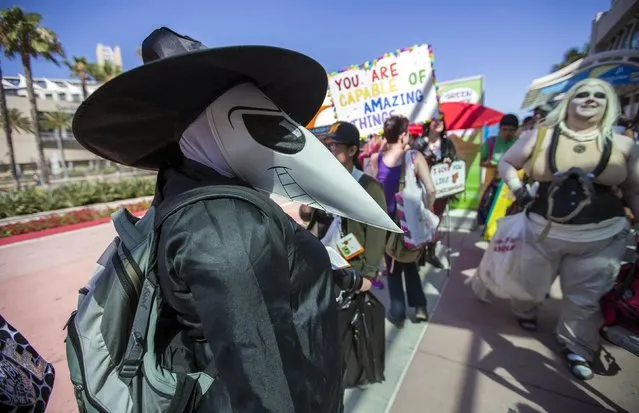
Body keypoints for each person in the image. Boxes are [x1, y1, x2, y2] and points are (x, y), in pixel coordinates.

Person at [71, 27, 401, 412]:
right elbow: (262, 385)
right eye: (260, 117)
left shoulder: (188, 191)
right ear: (210, 125)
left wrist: (338, 275)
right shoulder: (225, 226)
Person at [497, 78, 639, 381]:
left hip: (602, 235)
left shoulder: (625, 145)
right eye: (583, 94)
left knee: (585, 296)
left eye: (599, 95)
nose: (590, 99)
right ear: (569, 101)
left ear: (609, 103)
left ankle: (576, 344)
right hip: (541, 229)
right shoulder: (540, 137)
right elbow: (507, 163)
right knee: (529, 281)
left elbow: (634, 189)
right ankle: (525, 310)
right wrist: (518, 190)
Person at [300, 121, 388, 290]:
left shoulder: (369, 187)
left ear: (353, 150)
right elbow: (308, 217)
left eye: (334, 145)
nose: (330, 150)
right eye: (328, 145)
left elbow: (377, 232)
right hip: (325, 260)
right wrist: (307, 204)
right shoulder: (322, 181)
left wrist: (368, 274)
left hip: (353, 267)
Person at [371, 115, 437, 326]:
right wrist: (426, 210)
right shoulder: (415, 157)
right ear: (402, 135)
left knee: (392, 267)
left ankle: (397, 312)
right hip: (410, 222)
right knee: (411, 264)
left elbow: (374, 192)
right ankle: (420, 308)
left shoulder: (376, 159)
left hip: (387, 224)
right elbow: (431, 190)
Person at [414, 118, 458, 269]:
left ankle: (431, 254)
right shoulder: (419, 142)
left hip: (440, 191)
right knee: (421, 220)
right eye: (434, 120)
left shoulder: (447, 143)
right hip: (422, 189)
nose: (438, 123)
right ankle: (419, 253)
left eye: (441, 120)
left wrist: (449, 160)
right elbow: (413, 162)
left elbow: (455, 160)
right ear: (427, 123)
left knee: (435, 222)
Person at [477, 114, 520, 225]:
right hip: (494, 186)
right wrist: (492, 165)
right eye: (504, 129)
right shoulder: (491, 142)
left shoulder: (520, 144)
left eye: (511, 130)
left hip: (513, 188)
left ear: (516, 130)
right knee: (491, 218)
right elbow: (481, 162)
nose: (507, 133)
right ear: (500, 128)